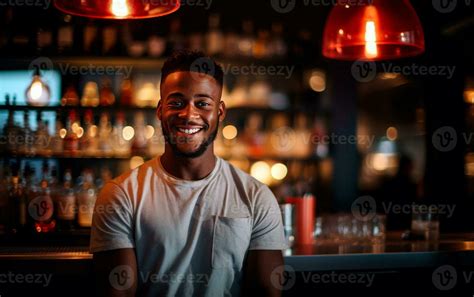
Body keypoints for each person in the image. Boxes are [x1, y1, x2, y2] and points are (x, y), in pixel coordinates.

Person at [90, 50, 288, 297]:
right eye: (176, 103)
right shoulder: (120, 195)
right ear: (160, 110)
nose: (189, 114)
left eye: (203, 103)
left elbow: (266, 292)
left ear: (220, 112)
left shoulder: (256, 196)